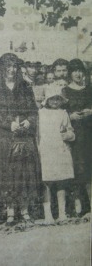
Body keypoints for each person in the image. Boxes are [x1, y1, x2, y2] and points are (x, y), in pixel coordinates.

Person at [0, 53, 41, 225]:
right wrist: (8, 124)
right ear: (2, 68)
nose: (11, 70)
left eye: (14, 67)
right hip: (4, 137)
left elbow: (33, 111)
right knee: (7, 173)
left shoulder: (25, 86)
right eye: (8, 66)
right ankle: (10, 211)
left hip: (23, 136)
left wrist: (28, 121)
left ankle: (25, 210)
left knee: (24, 172)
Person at [38, 87, 75, 224]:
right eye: (52, 99)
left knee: (61, 181)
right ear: (47, 100)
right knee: (46, 181)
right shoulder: (40, 113)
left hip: (60, 149)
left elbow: (70, 130)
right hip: (46, 149)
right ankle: (48, 214)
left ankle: (62, 213)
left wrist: (67, 135)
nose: (55, 101)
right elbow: (38, 133)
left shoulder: (63, 113)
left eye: (57, 99)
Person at [63, 59, 92, 217]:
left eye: (80, 70)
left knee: (89, 167)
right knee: (76, 168)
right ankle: (75, 206)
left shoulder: (90, 89)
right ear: (70, 73)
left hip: (89, 132)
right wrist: (70, 116)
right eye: (74, 70)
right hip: (75, 135)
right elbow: (60, 113)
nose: (78, 74)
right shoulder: (65, 91)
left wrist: (90, 112)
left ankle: (89, 206)